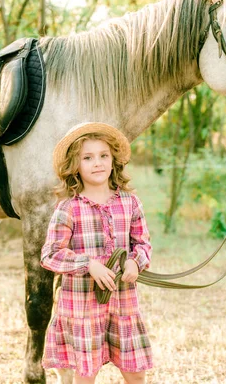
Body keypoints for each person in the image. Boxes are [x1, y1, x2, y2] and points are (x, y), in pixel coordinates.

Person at [41, 122, 153, 384]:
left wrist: (135, 263)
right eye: (88, 158)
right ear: (75, 166)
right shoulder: (68, 208)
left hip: (122, 303)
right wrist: (88, 263)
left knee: (136, 373)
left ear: (113, 160)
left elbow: (143, 244)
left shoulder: (130, 202)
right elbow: (50, 254)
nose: (98, 163)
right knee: (86, 374)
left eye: (104, 155)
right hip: (82, 307)